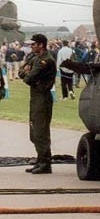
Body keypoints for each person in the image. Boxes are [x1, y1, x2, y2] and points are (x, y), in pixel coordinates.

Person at [18, 33, 57, 174]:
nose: (31, 46)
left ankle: (45, 163)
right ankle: (40, 159)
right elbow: (21, 72)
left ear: (41, 45)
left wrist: (27, 73)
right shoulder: (35, 58)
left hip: (43, 97)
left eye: (33, 44)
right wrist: (26, 72)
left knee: (41, 131)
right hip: (35, 97)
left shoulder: (46, 60)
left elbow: (28, 78)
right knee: (34, 132)